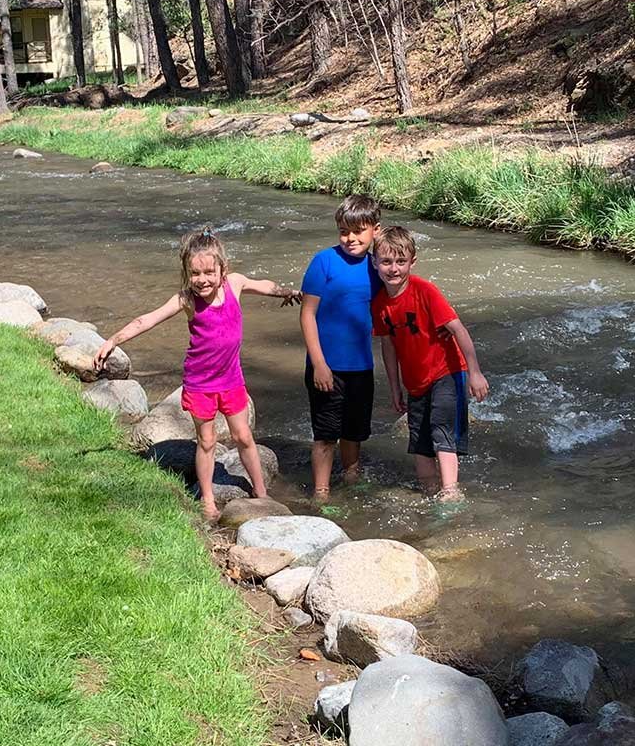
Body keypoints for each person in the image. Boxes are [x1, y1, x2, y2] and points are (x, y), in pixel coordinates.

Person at [93, 228, 301, 521]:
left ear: (222, 270)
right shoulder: (186, 300)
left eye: (208, 272)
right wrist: (113, 340)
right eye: (194, 273)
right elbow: (147, 320)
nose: (202, 280)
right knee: (206, 441)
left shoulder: (235, 284)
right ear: (187, 273)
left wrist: (285, 291)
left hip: (232, 380)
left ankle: (262, 493)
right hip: (201, 384)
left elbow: (263, 284)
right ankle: (207, 498)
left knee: (243, 435)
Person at [371, 226, 489, 499]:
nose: (393, 269)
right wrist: (395, 388)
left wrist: (475, 373)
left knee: (441, 429)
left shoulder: (425, 291)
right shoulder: (379, 304)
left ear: (413, 262)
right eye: (386, 262)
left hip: (447, 371)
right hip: (415, 381)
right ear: (375, 263)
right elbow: (387, 345)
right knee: (419, 441)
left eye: (401, 262)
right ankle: (428, 491)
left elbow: (458, 329)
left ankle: (450, 491)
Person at [299, 194, 383, 502]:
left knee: (354, 431)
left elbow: (400, 277)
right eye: (344, 231)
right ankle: (321, 492)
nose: (350, 238)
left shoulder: (378, 266)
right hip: (327, 366)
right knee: (325, 434)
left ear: (375, 229)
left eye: (359, 231)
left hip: (361, 366)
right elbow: (307, 314)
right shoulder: (324, 261)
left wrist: (381, 241)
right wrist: (319, 363)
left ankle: (351, 475)